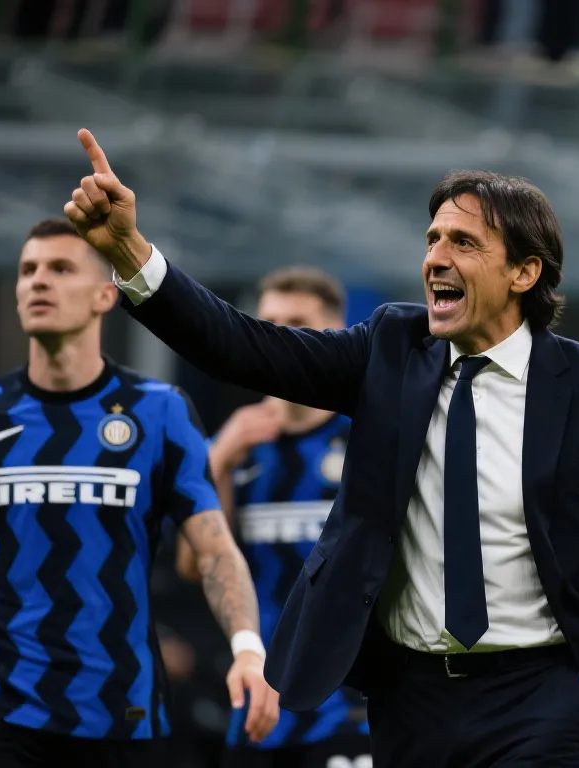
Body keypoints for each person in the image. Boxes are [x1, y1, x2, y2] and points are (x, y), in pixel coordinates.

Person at [64, 129, 579, 768]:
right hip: (409, 704)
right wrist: (130, 252)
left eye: (464, 242)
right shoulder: (391, 348)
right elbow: (241, 346)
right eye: (433, 239)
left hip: (542, 699)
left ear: (525, 272)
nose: (436, 258)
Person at [0, 218, 281, 768]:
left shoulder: (159, 412)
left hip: (121, 711)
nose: (38, 281)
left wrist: (247, 649)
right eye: (28, 270)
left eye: (60, 268)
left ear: (104, 296)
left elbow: (215, 551)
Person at [174, 267, 371, 768]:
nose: (280, 338)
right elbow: (192, 565)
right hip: (259, 699)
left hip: (350, 705)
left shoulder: (367, 439)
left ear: (335, 333)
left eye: (297, 323)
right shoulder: (235, 446)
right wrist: (220, 455)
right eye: (269, 324)